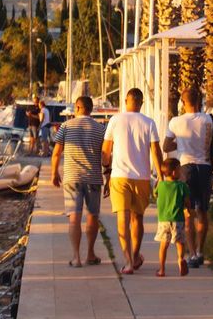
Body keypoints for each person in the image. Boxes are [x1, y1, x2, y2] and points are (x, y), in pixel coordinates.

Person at [102, 88, 162, 275]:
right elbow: (155, 151)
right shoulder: (149, 122)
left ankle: (128, 262)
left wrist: (106, 172)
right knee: (137, 219)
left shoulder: (115, 120)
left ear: (126, 100)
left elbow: (106, 152)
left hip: (119, 176)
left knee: (122, 218)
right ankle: (135, 256)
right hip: (142, 177)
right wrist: (160, 176)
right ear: (141, 102)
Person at [163, 86, 213, 267]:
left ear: (182, 102)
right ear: (199, 101)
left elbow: (165, 146)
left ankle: (192, 253)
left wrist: (180, 145)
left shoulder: (175, 122)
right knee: (202, 211)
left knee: (187, 212)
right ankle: (201, 251)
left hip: (185, 168)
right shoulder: (210, 119)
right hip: (204, 167)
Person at [51, 95, 104, 267]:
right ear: (91, 109)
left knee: (74, 218)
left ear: (78, 107)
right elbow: (105, 155)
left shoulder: (66, 126)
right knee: (93, 216)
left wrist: (54, 173)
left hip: (72, 178)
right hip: (94, 177)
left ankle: (76, 257)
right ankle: (90, 254)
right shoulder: (100, 128)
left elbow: (57, 152)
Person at [155, 157, 189, 277]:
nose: (181, 172)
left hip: (164, 220)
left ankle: (162, 269)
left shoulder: (161, 186)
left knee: (164, 245)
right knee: (180, 242)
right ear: (174, 172)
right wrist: (188, 209)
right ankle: (180, 259)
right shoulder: (182, 186)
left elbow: (155, 194)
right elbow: (187, 202)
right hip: (178, 220)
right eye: (180, 170)